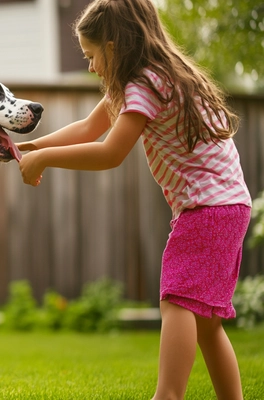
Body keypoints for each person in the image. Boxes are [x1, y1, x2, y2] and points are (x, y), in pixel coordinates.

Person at [18, 0, 251, 399]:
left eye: (92, 56)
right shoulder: (157, 75)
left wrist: (45, 159)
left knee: (176, 299)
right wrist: (32, 147)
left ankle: (167, 395)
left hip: (208, 209)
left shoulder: (143, 83)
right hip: (227, 206)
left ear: (114, 46)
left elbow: (110, 153)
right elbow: (91, 126)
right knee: (208, 325)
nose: (91, 67)